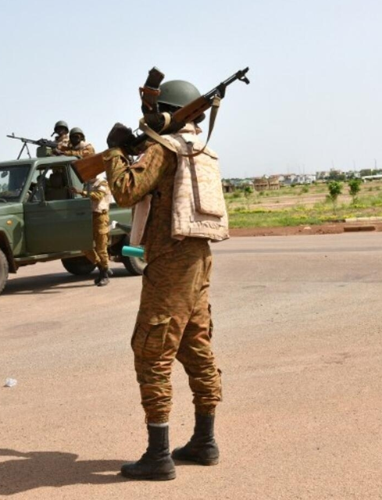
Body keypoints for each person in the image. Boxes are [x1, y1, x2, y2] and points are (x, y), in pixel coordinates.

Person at [103, 80, 229, 481]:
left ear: (167, 112)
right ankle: (204, 442)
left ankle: (158, 455)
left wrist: (115, 152)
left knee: (151, 350)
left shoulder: (165, 148)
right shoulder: (200, 149)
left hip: (170, 260)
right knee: (196, 346)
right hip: (198, 258)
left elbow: (125, 190)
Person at [72, 174, 111, 286]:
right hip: (89, 216)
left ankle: (104, 275)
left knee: (101, 248)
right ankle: (102, 267)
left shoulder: (102, 182)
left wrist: (81, 192)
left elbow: (98, 196)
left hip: (100, 217)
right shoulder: (88, 183)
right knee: (85, 246)